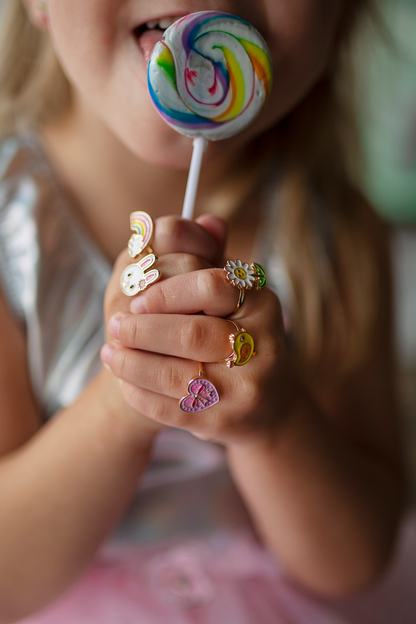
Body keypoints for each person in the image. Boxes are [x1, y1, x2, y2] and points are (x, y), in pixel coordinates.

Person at [0, 1, 411, 623]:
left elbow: (355, 560)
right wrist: (125, 401)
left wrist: (272, 425)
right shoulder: (10, 232)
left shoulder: (333, 234)